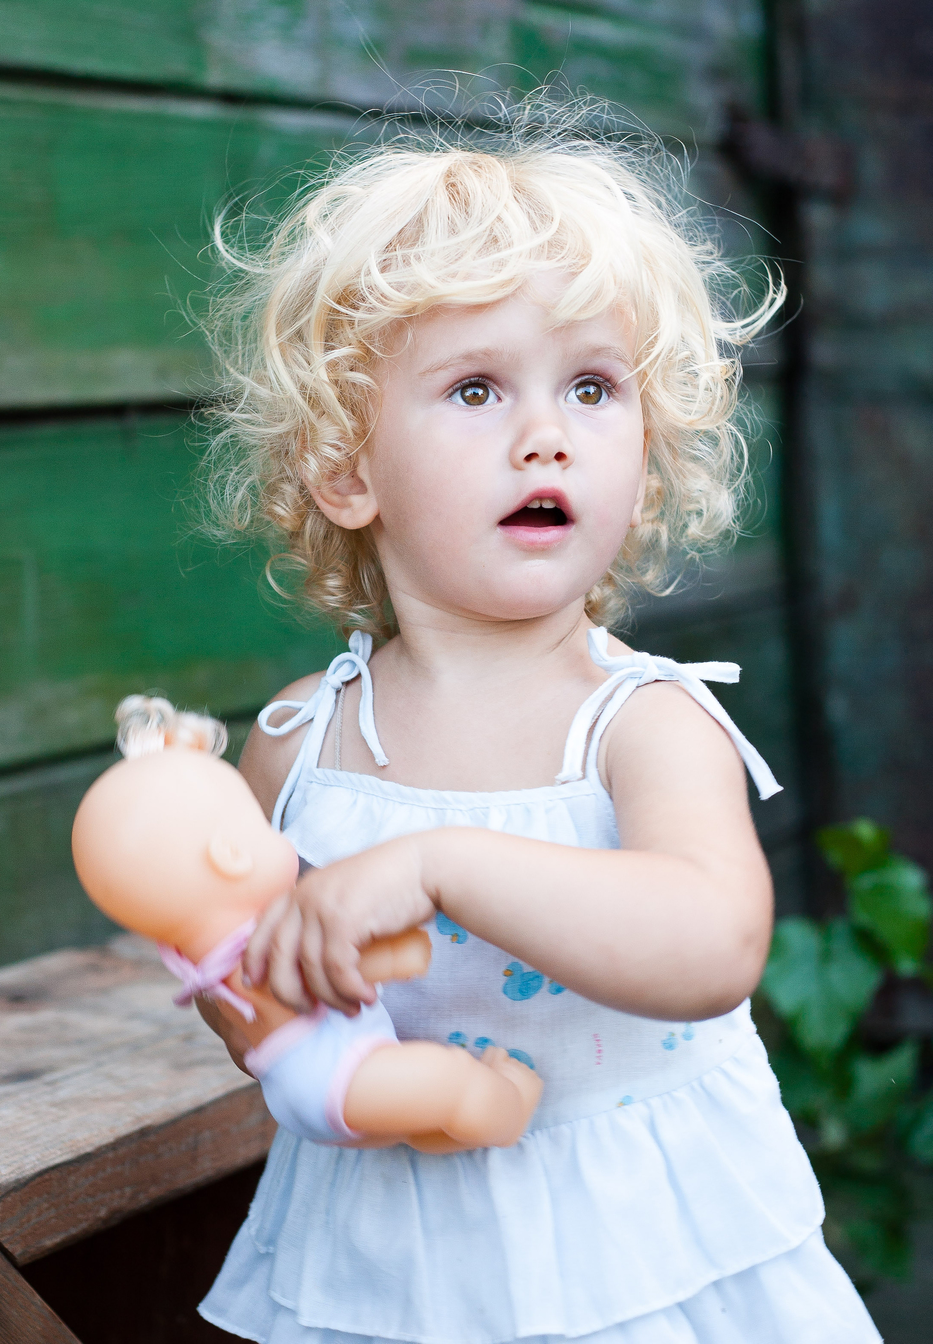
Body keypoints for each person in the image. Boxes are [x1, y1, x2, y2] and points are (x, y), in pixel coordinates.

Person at [195, 110, 881, 1342]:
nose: (544, 431)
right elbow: (250, 983)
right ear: (348, 468)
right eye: (473, 387)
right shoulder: (300, 744)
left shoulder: (639, 725)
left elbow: (710, 944)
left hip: (637, 1250)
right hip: (387, 1253)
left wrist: (440, 868)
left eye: (591, 385)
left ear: (648, 451)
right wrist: (261, 997)